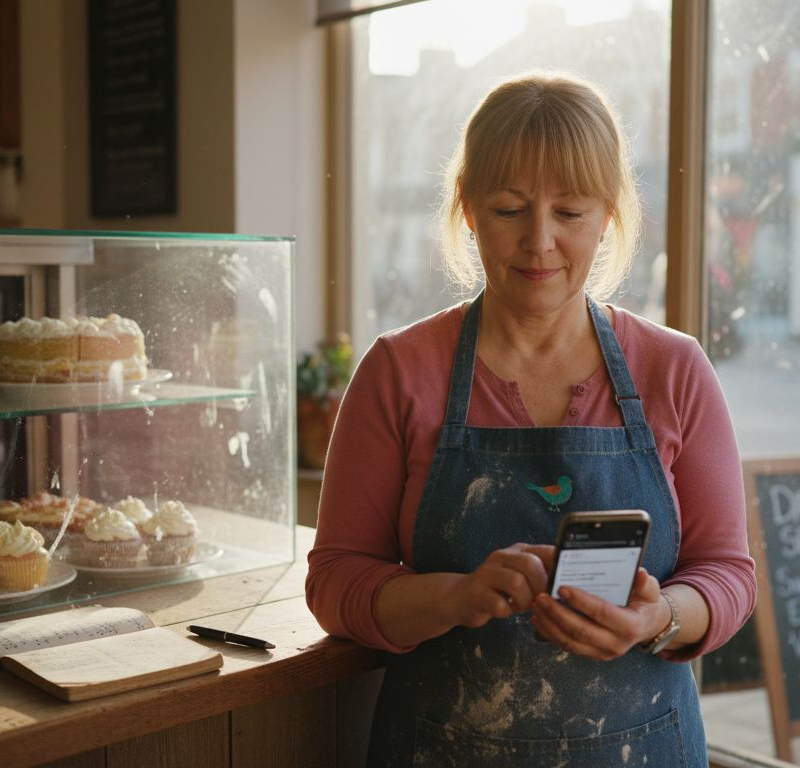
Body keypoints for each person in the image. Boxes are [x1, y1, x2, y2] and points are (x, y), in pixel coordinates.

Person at [306, 72, 756, 766]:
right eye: (509, 209)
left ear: (608, 215)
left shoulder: (674, 370)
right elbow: (336, 583)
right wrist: (455, 598)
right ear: (468, 209)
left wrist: (657, 617)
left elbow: (727, 574)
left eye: (569, 212)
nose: (539, 241)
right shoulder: (399, 372)